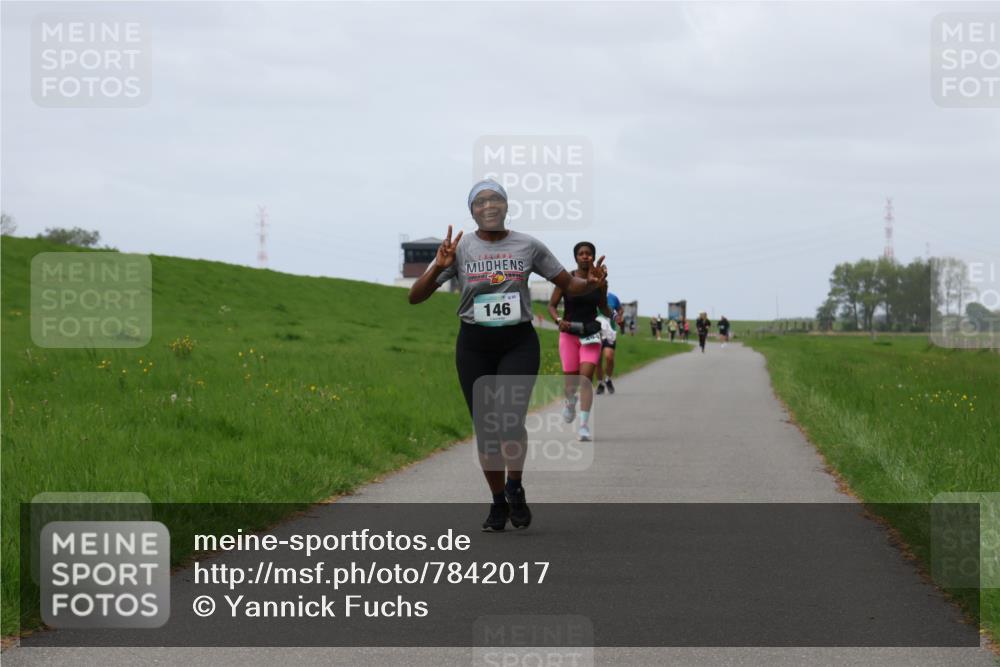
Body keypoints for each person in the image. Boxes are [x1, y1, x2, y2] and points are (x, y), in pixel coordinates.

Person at [408, 179, 607, 532]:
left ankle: (515, 485)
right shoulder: (460, 249)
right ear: (472, 211)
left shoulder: (528, 246)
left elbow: (568, 284)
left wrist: (590, 283)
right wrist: (439, 266)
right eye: (480, 201)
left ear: (506, 206)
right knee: (486, 429)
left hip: (518, 342)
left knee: (510, 421)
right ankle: (498, 502)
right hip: (474, 345)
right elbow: (415, 297)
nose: (488, 206)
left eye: (495, 200)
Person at [548, 242, 612, 442]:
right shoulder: (566, 279)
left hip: (590, 334)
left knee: (585, 379)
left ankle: (583, 426)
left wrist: (616, 315)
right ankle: (569, 402)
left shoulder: (599, 280)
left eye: (588, 254)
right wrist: (559, 320)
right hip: (569, 335)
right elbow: (551, 305)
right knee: (570, 381)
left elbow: (603, 307)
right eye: (581, 254)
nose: (585, 256)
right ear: (576, 257)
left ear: (593, 257)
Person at [595, 313, 617, 395]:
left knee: (609, 357)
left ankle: (608, 379)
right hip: (595, 332)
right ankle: (600, 384)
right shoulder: (590, 300)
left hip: (608, 333)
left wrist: (619, 317)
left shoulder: (613, 300)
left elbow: (620, 311)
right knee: (597, 360)